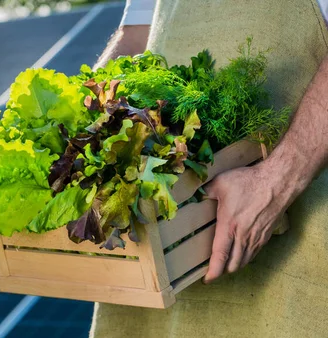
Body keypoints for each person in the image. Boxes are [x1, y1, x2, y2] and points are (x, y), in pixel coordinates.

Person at [90, 0, 328, 337]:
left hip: (296, 223)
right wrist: (81, 133)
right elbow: (137, 36)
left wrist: (278, 181)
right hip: (153, 252)